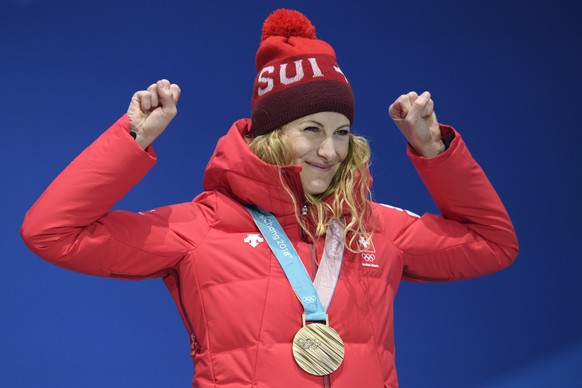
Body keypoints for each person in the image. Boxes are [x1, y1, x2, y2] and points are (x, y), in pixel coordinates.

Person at [20, 8, 518, 388]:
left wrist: (434, 149)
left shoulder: (376, 227)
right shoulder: (202, 227)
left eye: (342, 131)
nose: (329, 150)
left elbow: (493, 242)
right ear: (271, 134)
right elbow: (51, 232)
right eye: (311, 129)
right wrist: (130, 140)